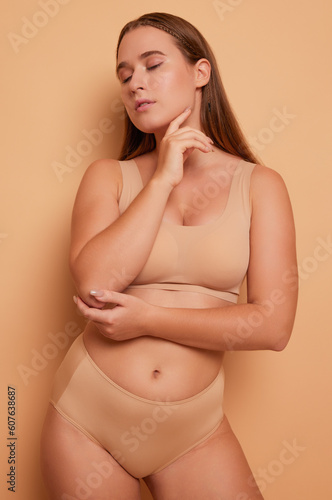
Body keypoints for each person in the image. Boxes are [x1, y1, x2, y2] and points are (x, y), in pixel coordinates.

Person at [40, 12, 298, 500]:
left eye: (153, 65)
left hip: (192, 432)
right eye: (124, 75)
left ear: (201, 73)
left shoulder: (261, 186)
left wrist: (150, 318)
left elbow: (273, 326)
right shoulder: (109, 177)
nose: (136, 83)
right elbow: (94, 281)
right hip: (86, 419)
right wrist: (162, 179)